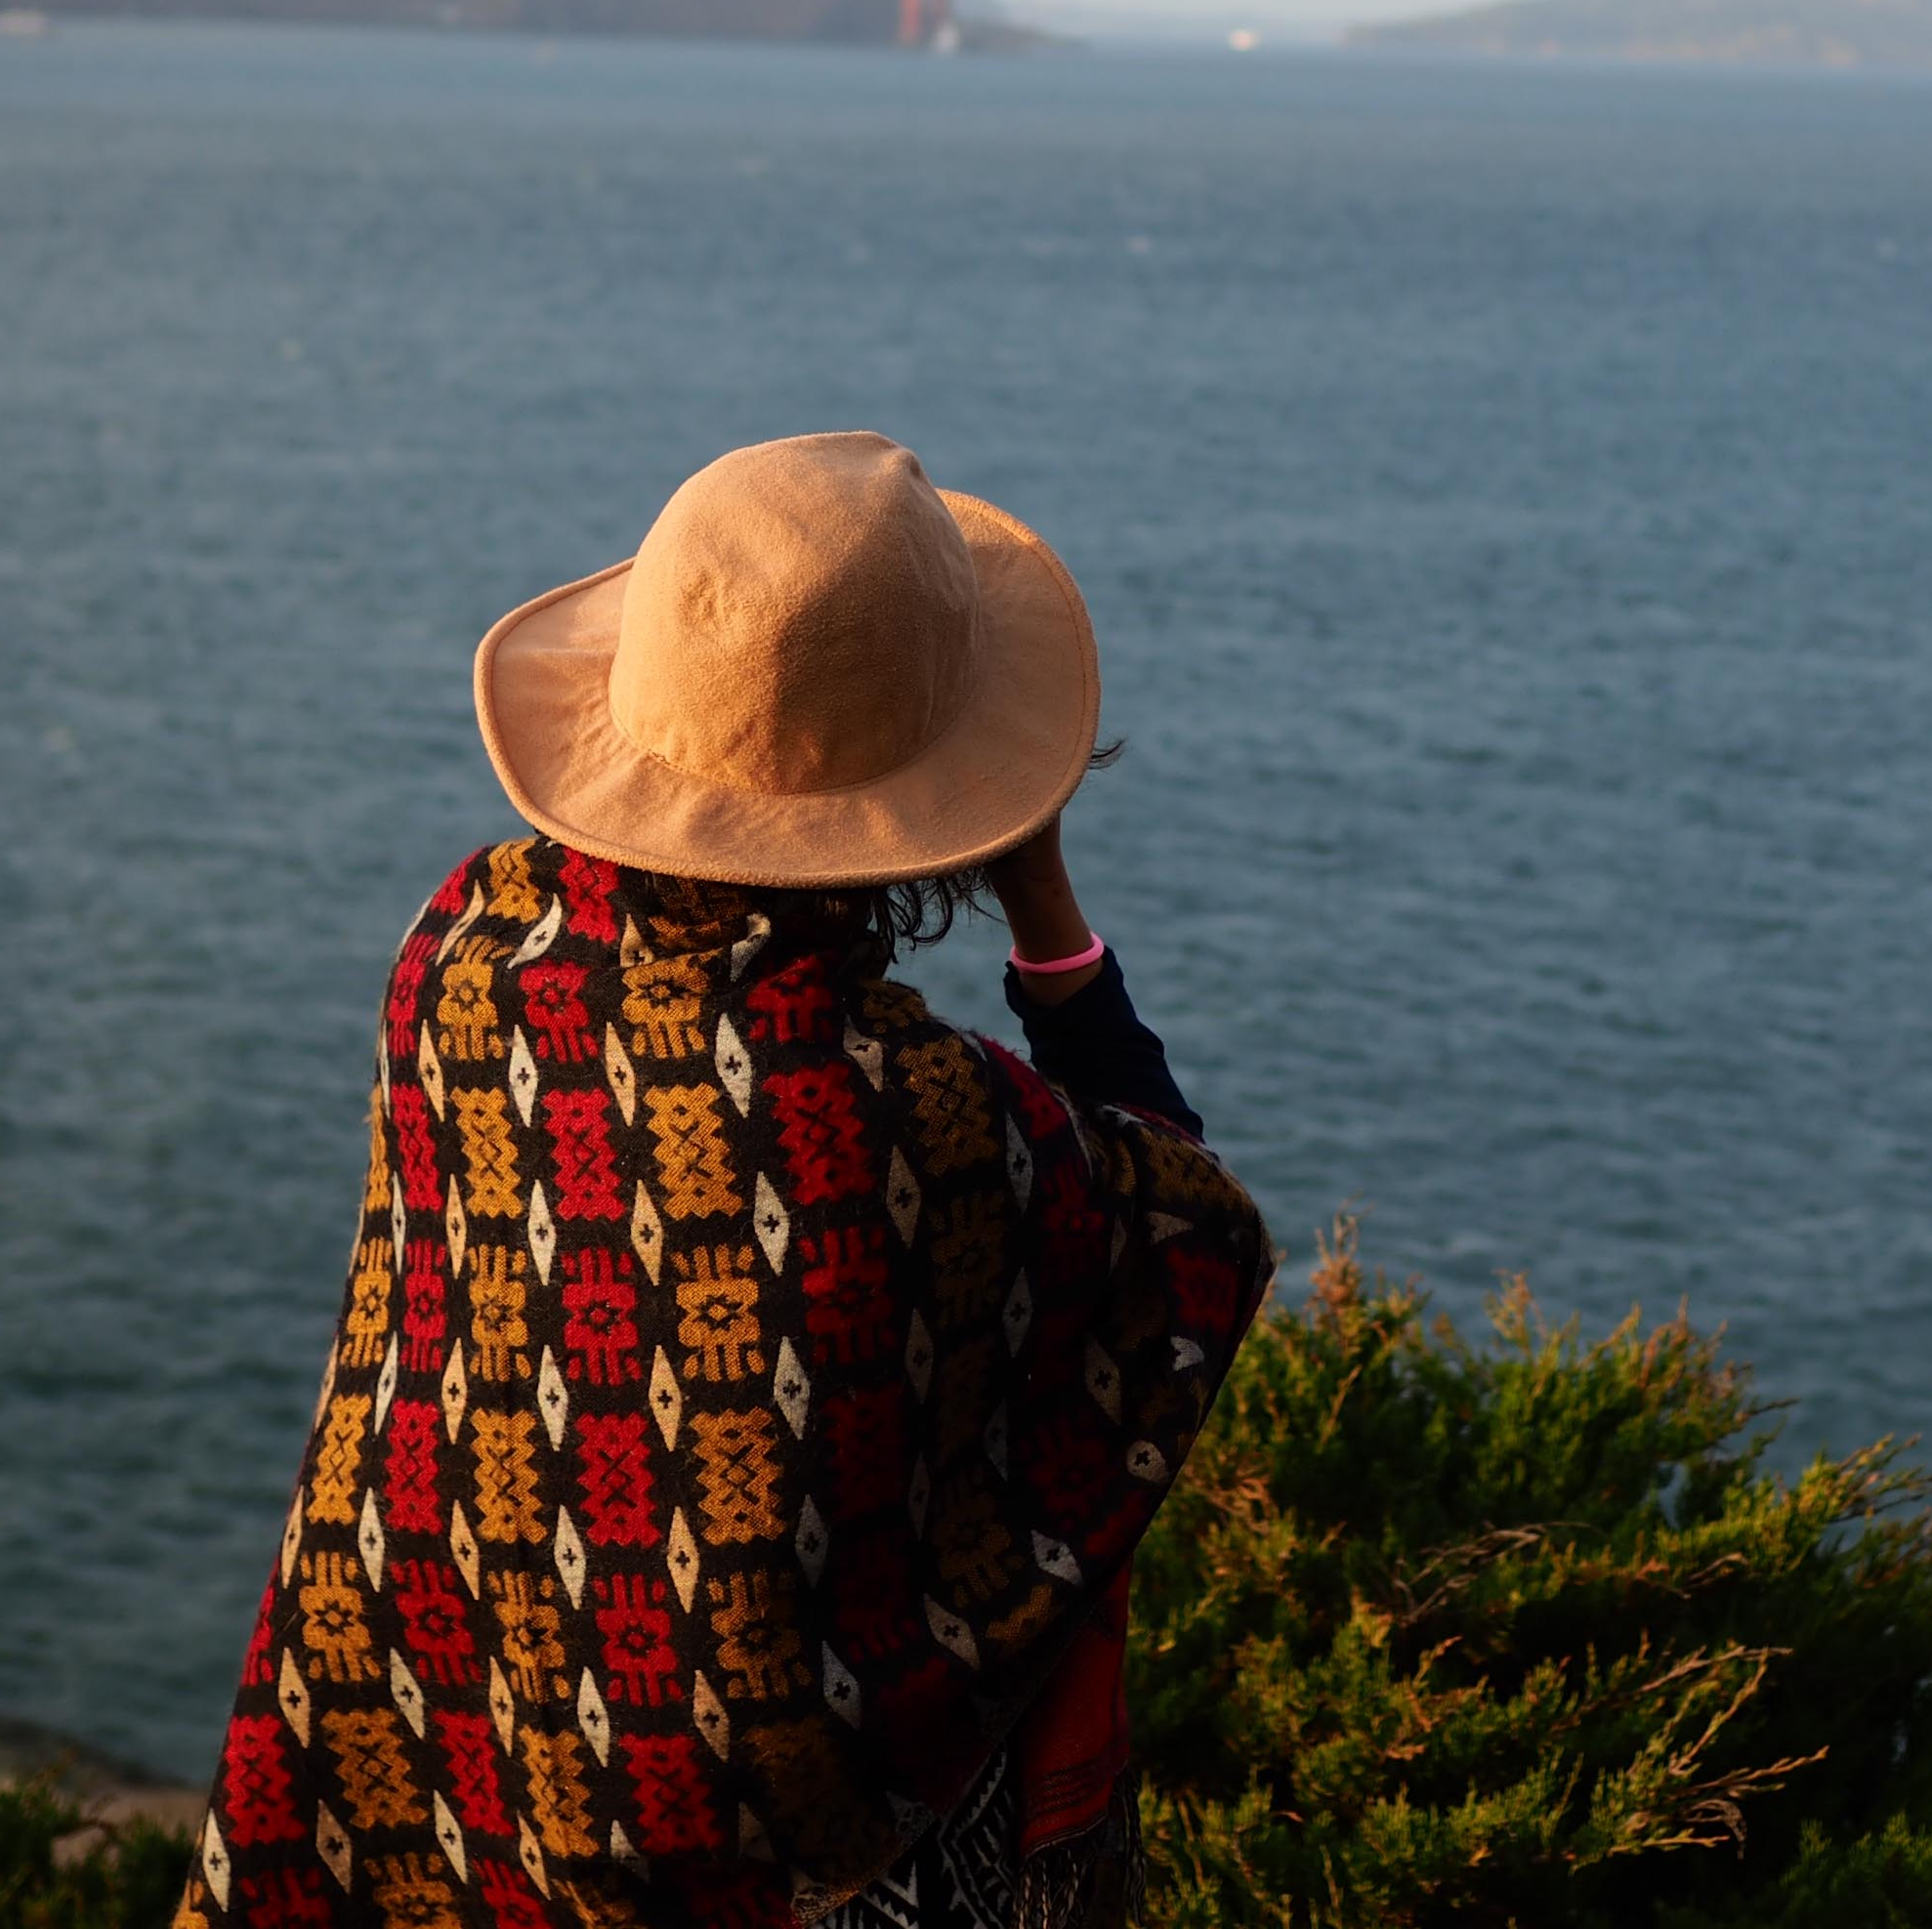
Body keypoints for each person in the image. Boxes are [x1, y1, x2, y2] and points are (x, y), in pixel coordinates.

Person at [173, 434, 1272, 1929]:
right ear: (962, 800)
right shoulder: (908, 1113)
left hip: (438, 1756)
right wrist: (1050, 918)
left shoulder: (466, 957)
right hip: (758, 1862)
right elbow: (1189, 1243)